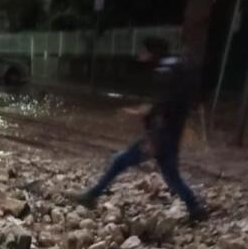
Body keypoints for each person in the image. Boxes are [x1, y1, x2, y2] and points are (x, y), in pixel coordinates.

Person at [76, 37, 208, 222]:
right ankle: (195, 209)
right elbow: (169, 105)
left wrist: (153, 138)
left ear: (153, 52)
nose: (141, 55)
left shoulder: (164, 72)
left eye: (144, 51)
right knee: (171, 176)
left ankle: (92, 195)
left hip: (161, 135)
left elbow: (162, 108)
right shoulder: (175, 68)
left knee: (120, 161)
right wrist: (141, 112)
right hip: (172, 133)